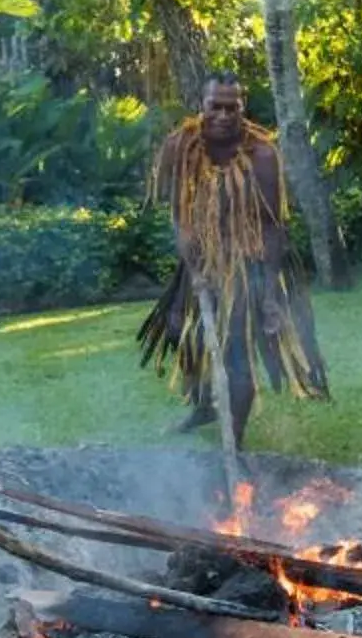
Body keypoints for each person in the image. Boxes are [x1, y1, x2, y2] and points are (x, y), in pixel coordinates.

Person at [136, 72, 330, 442]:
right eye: (216, 107)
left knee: (236, 353)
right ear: (201, 107)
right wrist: (195, 269)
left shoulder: (262, 156)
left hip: (251, 264)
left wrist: (269, 291)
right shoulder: (181, 146)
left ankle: (235, 444)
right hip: (200, 255)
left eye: (232, 108)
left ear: (243, 109)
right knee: (180, 331)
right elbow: (179, 215)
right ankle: (204, 405)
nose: (223, 115)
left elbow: (274, 227)